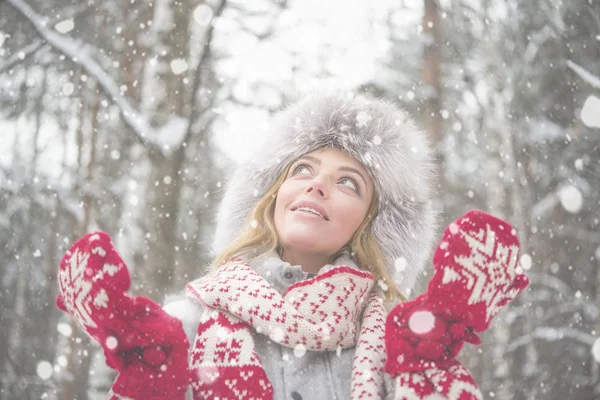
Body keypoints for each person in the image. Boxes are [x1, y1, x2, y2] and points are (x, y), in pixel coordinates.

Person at [56, 92, 529, 400]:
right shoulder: (185, 327)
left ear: (370, 224)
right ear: (272, 196)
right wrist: (149, 379)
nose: (316, 185)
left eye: (348, 182)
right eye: (302, 169)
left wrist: (430, 362)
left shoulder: (395, 343)